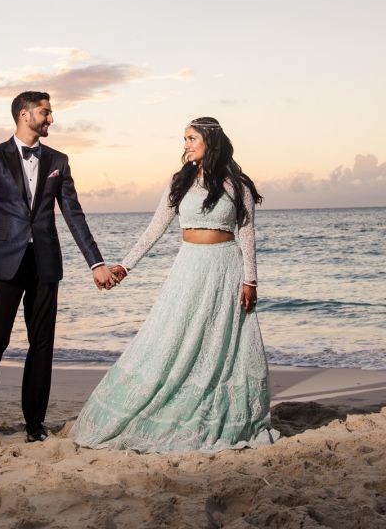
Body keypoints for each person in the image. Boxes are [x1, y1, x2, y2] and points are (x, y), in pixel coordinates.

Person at [70, 116, 279, 453]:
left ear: (210, 140)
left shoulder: (236, 184)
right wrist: (125, 266)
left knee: (220, 343)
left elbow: (247, 231)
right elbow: (155, 229)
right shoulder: (179, 182)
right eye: (184, 139)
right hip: (189, 266)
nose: (185, 145)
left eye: (191, 138)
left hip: (226, 266)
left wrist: (250, 279)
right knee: (173, 337)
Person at [0, 91, 120, 445]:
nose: (50, 119)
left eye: (50, 113)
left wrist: (96, 262)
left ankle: (35, 426)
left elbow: (73, 215)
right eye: (45, 112)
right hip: (3, 265)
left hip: (45, 263)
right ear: (24, 114)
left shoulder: (58, 160)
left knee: (42, 345)